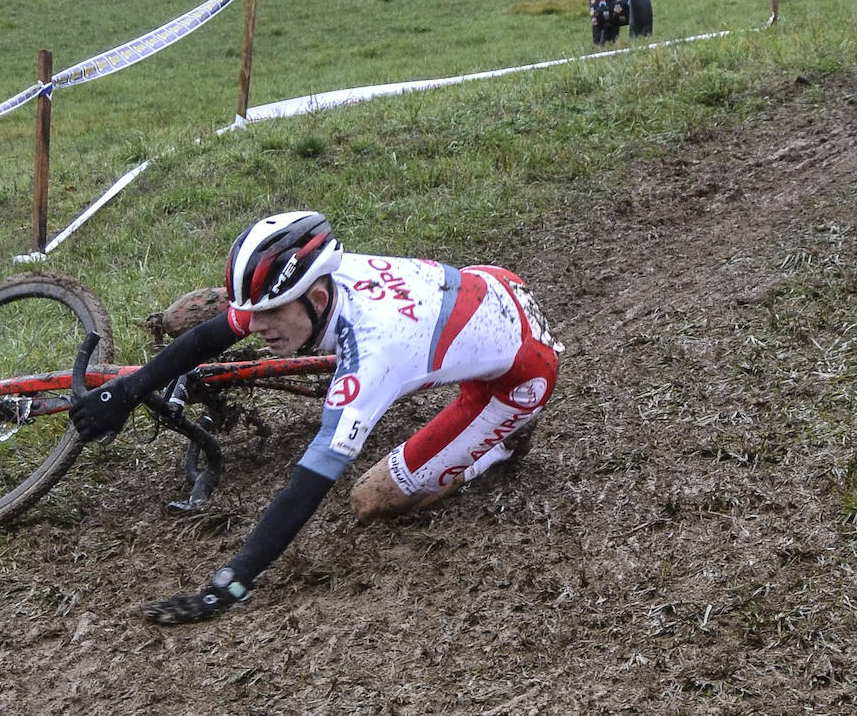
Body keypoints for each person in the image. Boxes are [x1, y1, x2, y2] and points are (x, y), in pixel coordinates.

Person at [70, 211, 563, 624]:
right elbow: (211, 335)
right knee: (195, 319)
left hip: (522, 373)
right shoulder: (312, 285)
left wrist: (231, 582)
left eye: (268, 316)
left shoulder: (374, 354)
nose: (255, 328)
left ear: (317, 299)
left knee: (371, 499)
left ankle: (497, 445)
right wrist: (126, 392)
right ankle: (480, 422)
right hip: (492, 285)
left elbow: (307, 484)